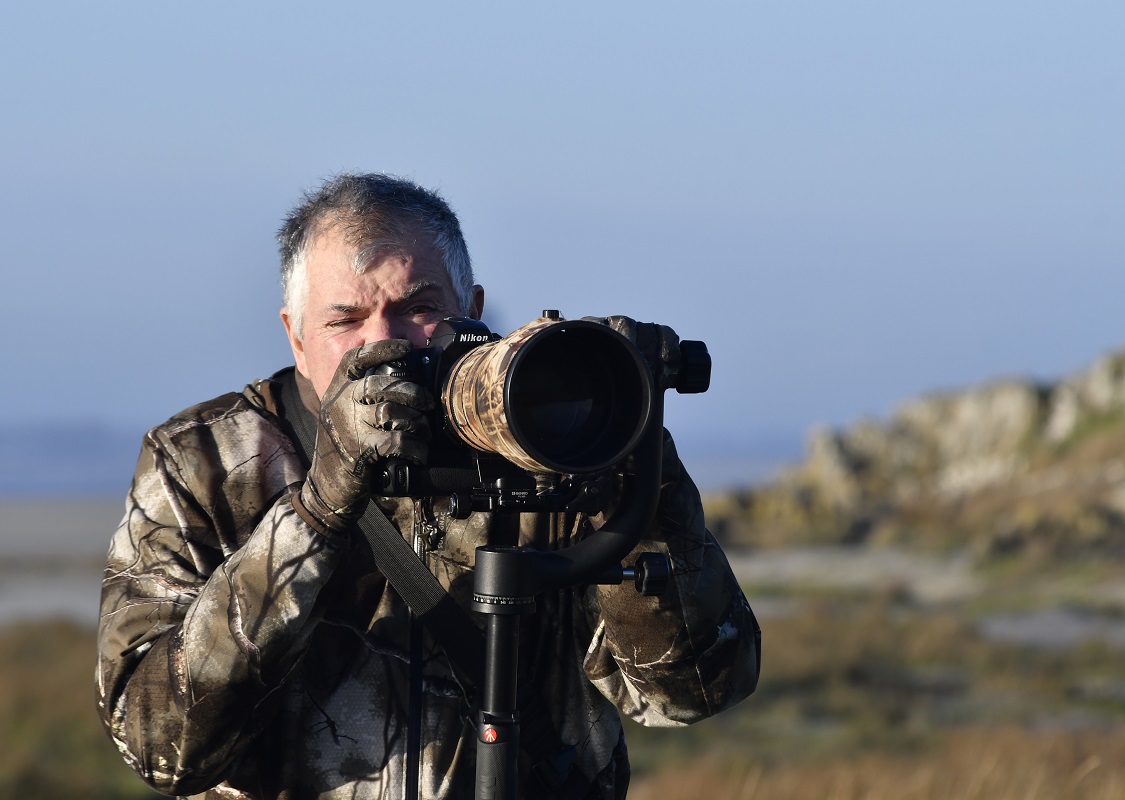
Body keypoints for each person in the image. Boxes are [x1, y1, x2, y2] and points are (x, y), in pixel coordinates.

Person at [96, 173, 760, 800]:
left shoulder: (549, 446)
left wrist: (623, 441)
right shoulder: (202, 462)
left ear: (471, 311)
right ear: (295, 336)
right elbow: (159, 746)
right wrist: (317, 511)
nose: (381, 345)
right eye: (344, 321)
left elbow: (692, 692)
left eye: (418, 309)